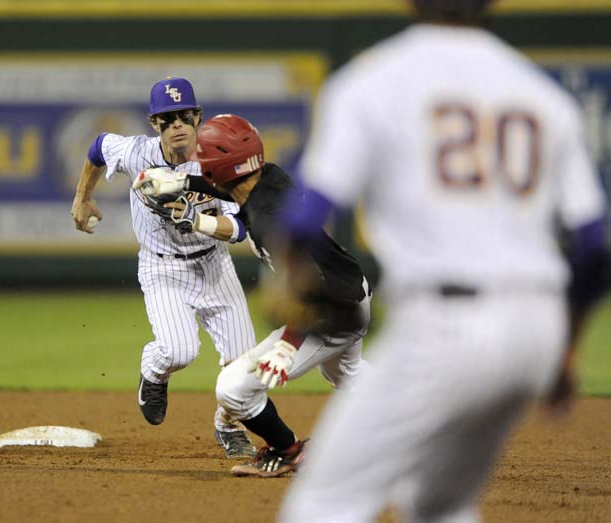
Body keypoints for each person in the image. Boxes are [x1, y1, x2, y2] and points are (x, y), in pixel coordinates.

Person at [276, 0, 610, 521]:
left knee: (323, 503)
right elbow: (594, 245)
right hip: (536, 328)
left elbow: (304, 217)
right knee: (440, 504)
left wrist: (289, 273)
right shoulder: (543, 95)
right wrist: (565, 345)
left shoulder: (371, 81)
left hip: (444, 326)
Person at [132, 114, 372, 478]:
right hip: (354, 289)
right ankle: (427, 421)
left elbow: (311, 292)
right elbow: (229, 184)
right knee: (349, 377)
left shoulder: (270, 222)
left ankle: (287, 450)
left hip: (330, 313)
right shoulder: (270, 177)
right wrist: (182, 180)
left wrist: (288, 346)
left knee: (233, 389)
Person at [70, 77, 258, 460]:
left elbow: (240, 228)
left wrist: (199, 220)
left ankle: (228, 424)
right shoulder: (138, 152)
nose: (177, 125)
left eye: (184, 116)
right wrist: (82, 196)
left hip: (214, 266)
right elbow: (98, 147)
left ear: (197, 117)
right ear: (154, 124)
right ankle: (153, 373)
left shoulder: (217, 160)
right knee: (178, 351)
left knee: (246, 368)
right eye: (167, 118)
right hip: (163, 270)